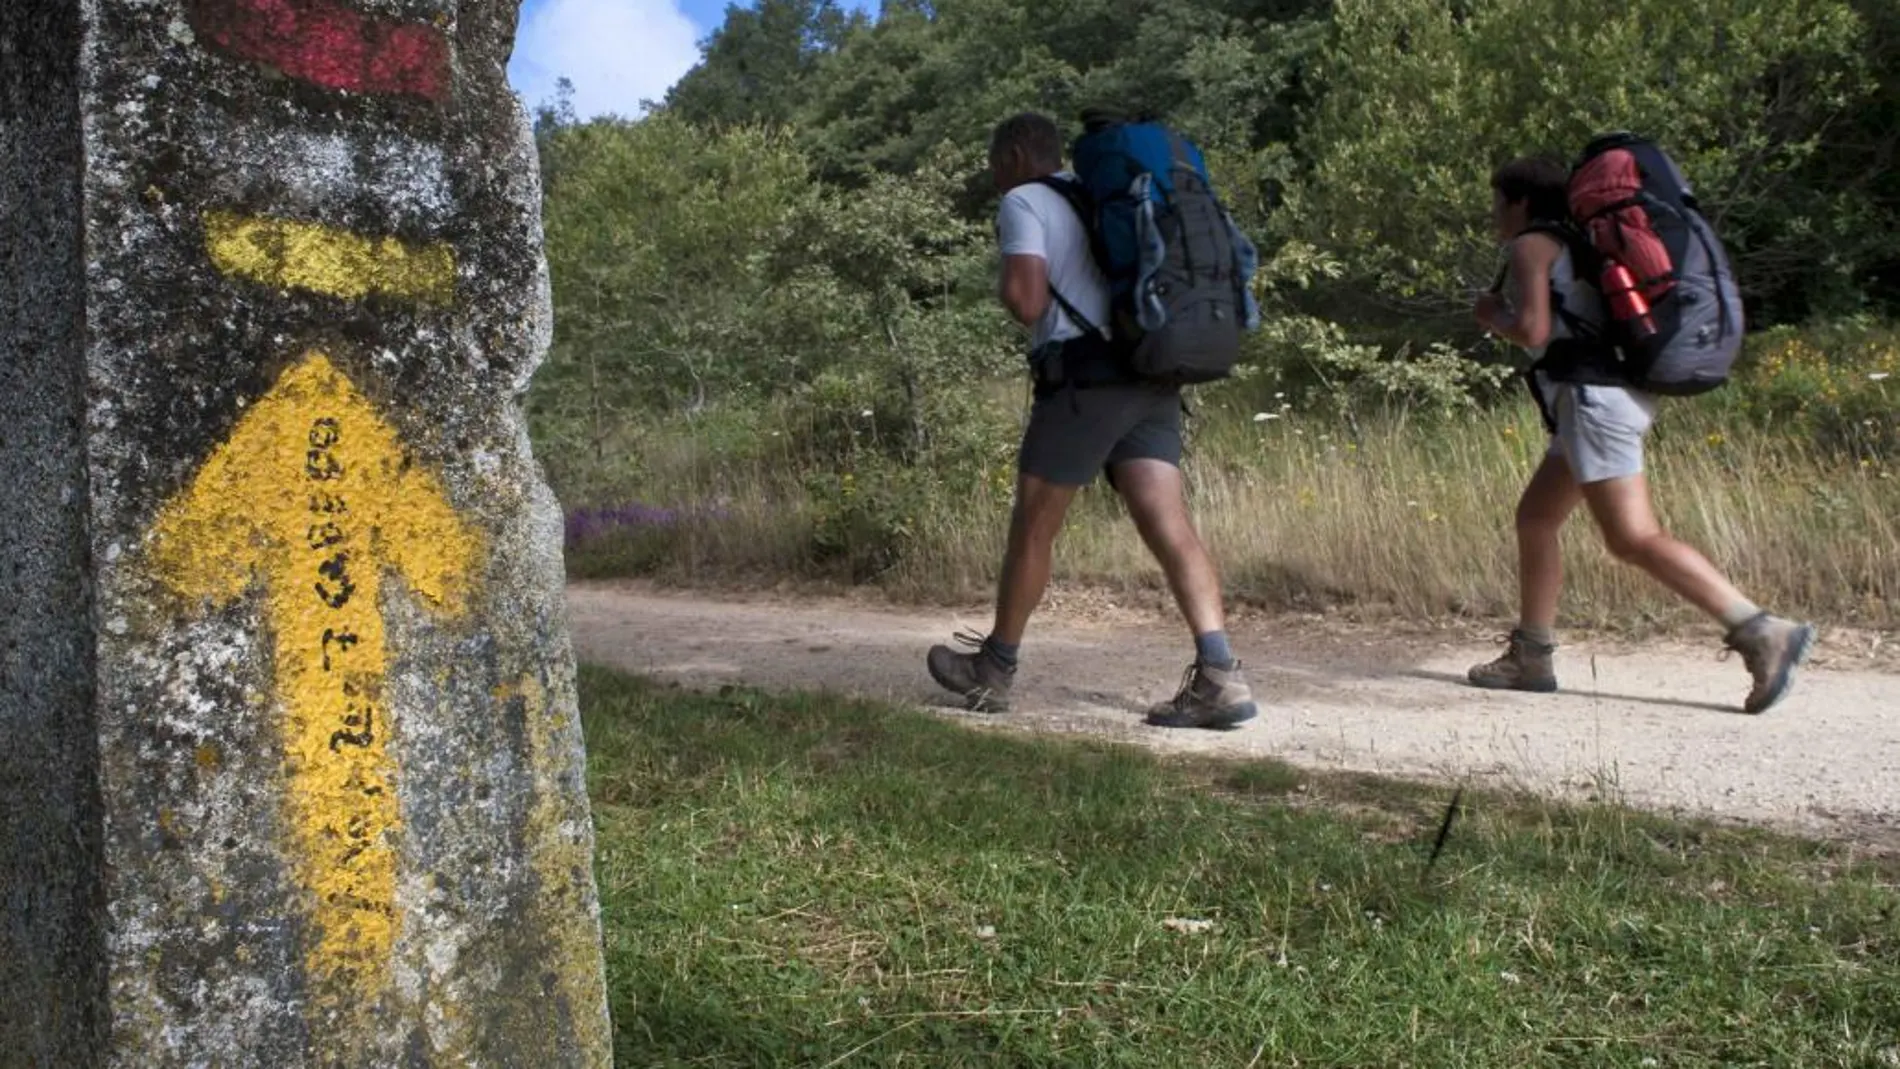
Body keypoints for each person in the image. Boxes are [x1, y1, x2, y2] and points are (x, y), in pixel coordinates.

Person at [924, 112, 1258, 730]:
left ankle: (994, 670)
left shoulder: (1026, 200)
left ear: (1019, 154)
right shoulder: (1105, 193)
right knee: (1170, 523)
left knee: (1033, 527)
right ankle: (1220, 675)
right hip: (1150, 372)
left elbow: (1027, 301)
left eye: (998, 166)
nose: (997, 179)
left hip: (1084, 382)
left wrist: (1010, 286)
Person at [1468, 156, 1816, 713]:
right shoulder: (1578, 241)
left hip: (1591, 401)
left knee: (1632, 537)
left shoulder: (1532, 245)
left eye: (1497, 203)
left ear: (1520, 201)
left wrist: (1494, 316)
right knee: (1536, 517)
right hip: (1603, 397)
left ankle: (1760, 629)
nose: (1494, 216)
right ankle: (1531, 654)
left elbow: (1531, 328)